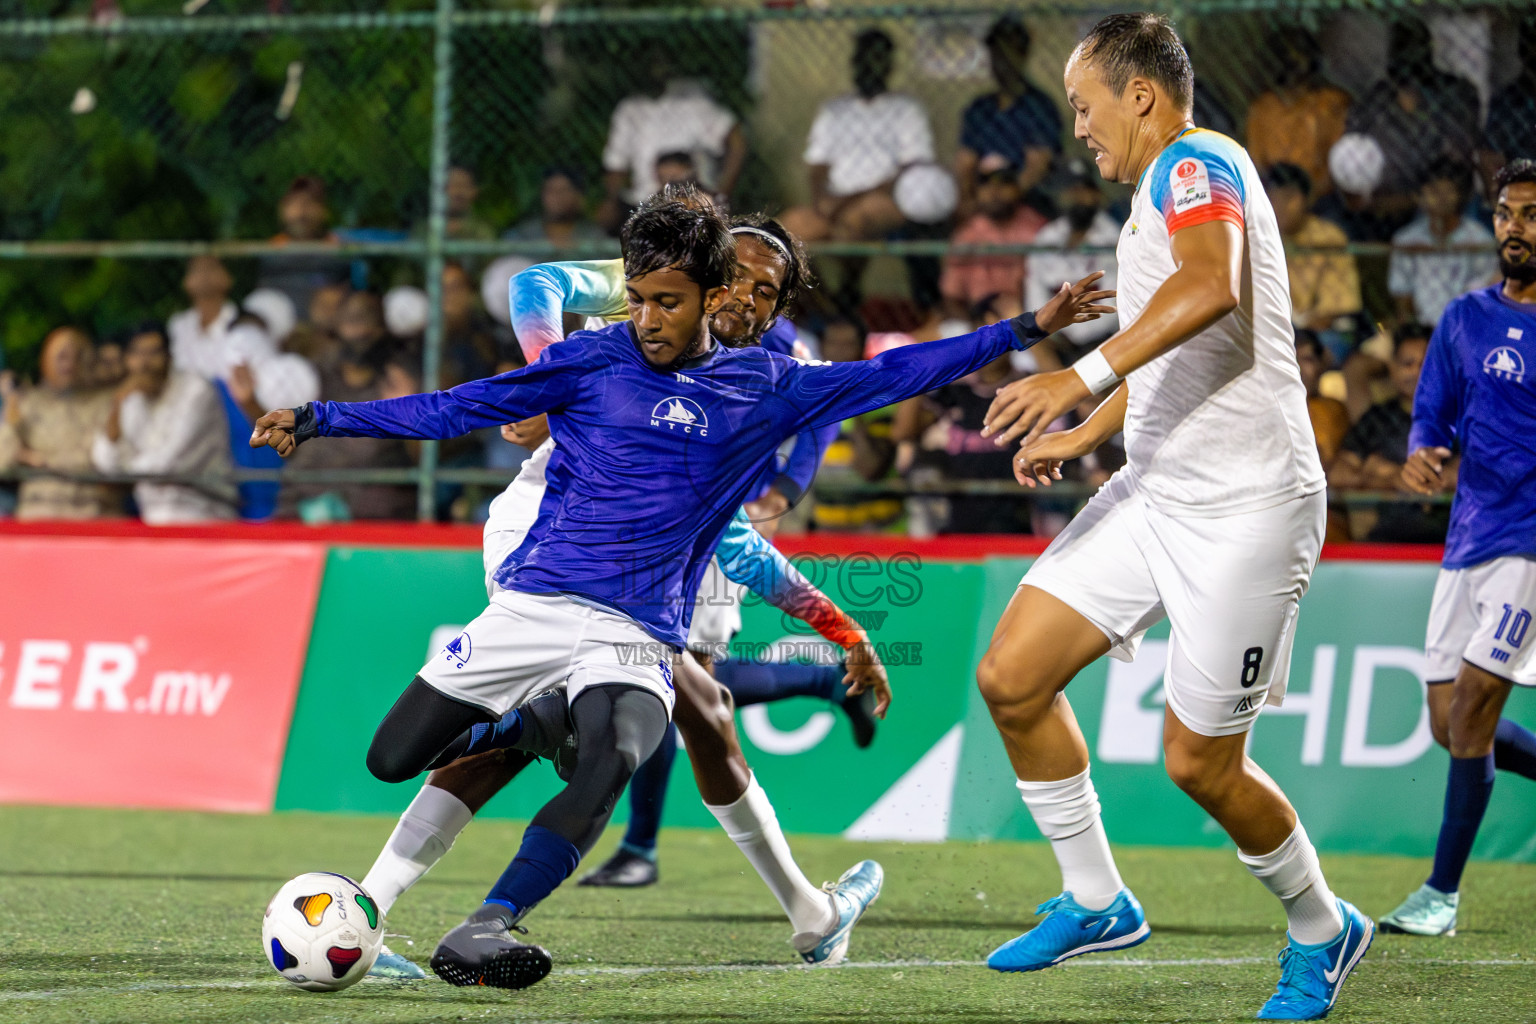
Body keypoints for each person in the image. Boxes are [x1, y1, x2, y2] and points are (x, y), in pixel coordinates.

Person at [250, 194, 1107, 989]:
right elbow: (456, 405)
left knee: (622, 748)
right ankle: (540, 732)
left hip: (636, 627)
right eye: (641, 300)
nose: (652, 319)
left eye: (671, 301)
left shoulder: (771, 388)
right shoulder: (592, 357)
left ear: (714, 296)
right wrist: (320, 417)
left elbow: (907, 371)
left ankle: (488, 924)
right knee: (392, 758)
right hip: (534, 599)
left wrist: (1030, 326)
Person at [973, 15, 1370, 1020]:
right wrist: (1092, 428)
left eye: (1084, 105)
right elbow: (1184, 344)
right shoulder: (1162, 188)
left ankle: (1325, 928)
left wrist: (1078, 374)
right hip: (1157, 490)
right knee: (1012, 676)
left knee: (1200, 764)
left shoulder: (1197, 163)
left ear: (1138, 93)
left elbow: (1209, 287)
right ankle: (1098, 897)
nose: (1078, 130)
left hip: (1248, 508)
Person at [1380, 159, 1536, 938]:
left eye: (1531, 214)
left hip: (1529, 546)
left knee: (1472, 718)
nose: (1516, 227)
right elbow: (1433, 410)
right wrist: (1421, 450)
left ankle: (1440, 895)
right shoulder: (1464, 318)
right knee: (1447, 725)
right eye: (1507, 213)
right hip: (1467, 537)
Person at [779, 29, 934, 245]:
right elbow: (817, 166)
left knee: (852, 224)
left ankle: (849, 280)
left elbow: (909, 171)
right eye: (862, 58)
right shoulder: (833, 110)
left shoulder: (907, 109)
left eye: (877, 58)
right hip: (833, 201)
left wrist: (846, 202)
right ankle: (819, 281)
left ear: (890, 65)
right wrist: (822, 200)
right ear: (854, 62)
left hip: (884, 200)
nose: (869, 65)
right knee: (785, 232)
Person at [91, 326, 236, 524]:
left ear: (169, 357)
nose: (145, 364)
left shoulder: (196, 391)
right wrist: (116, 407)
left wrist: (124, 473)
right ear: (126, 360)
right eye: (137, 354)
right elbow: (106, 463)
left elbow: (166, 465)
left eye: (154, 353)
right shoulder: (130, 398)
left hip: (204, 510)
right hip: (152, 515)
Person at [1328, 324, 1448, 543]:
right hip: (1385, 544)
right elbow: (1338, 474)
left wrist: (1384, 471)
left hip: (1448, 542)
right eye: (1407, 364)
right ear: (1392, 368)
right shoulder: (1376, 419)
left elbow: (1474, 472)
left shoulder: (1457, 417)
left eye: (1425, 364)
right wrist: (1390, 479)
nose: (1416, 372)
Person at [599, 58, 745, 229]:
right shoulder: (628, 109)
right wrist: (611, 201)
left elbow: (737, 141)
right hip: (645, 204)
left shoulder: (692, 102)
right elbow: (615, 164)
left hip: (693, 202)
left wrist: (722, 192)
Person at [0, 327, 119, 520]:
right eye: (62, 357)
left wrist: (34, 459)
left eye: (78, 357)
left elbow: (95, 458)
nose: (69, 364)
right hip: (38, 510)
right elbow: (3, 462)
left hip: (90, 510)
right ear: (46, 359)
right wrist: (11, 422)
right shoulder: (28, 402)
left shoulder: (105, 403)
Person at [954, 16, 1062, 218]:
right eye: (996, 53)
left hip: (1027, 199)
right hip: (983, 197)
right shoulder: (980, 108)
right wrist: (971, 201)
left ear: (1023, 55)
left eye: (1008, 52)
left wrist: (1001, 199)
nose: (1002, 61)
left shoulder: (1039, 106)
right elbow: (965, 162)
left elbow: (1037, 166)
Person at [1389, 158, 1497, 327]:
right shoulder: (1406, 240)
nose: (1441, 198)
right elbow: (1403, 299)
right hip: (1421, 328)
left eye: (1447, 191)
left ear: (1460, 195)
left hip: (1466, 326)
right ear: (1419, 196)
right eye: (1433, 191)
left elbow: (1483, 297)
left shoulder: (1479, 239)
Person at [1026, 165, 1121, 356]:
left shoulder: (1113, 236)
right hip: (1055, 337)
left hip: (1101, 337)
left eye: (1084, 189)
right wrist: (1057, 333)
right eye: (1072, 190)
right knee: (1030, 342)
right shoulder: (1046, 237)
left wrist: (1078, 335)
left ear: (1097, 194)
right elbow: (1035, 291)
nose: (1078, 197)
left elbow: (1115, 300)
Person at [939, 154, 1047, 319]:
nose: (994, 191)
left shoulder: (1039, 229)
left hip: (1031, 319)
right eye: (986, 184)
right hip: (978, 321)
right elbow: (952, 297)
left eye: (1003, 183)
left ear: (1016, 187)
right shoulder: (967, 233)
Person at [1246, 31, 1350, 198]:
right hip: (1277, 196)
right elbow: (1257, 165)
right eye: (1289, 61)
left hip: (1321, 198)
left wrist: (1308, 198)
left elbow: (1338, 164)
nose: (1296, 68)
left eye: (1301, 59)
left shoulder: (1330, 103)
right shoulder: (1264, 108)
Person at [1265, 163, 1362, 338]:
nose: (1281, 206)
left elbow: (1336, 307)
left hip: (1321, 332)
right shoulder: (1255, 236)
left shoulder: (1329, 237)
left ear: (1306, 199)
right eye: (1273, 198)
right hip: (1269, 329)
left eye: (1290, 198)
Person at [256, 175, 351, 315]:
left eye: (310, 203)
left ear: (324, 211)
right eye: (293, 203)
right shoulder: (268, 250)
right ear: (282, 210)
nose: (301, 212)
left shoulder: (340, 249)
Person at [503, 168, 604, 250]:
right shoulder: (524, 234)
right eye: (550, 190)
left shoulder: (592, 235)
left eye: (563, 190)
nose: (556, 197)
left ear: (578, 196)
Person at [1294, 332, 1349, 472]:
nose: (1298, 368)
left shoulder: (1334, 410)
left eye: (1307, 359)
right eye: (1291, 359)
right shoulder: (1270, 409)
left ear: (1322, 363)